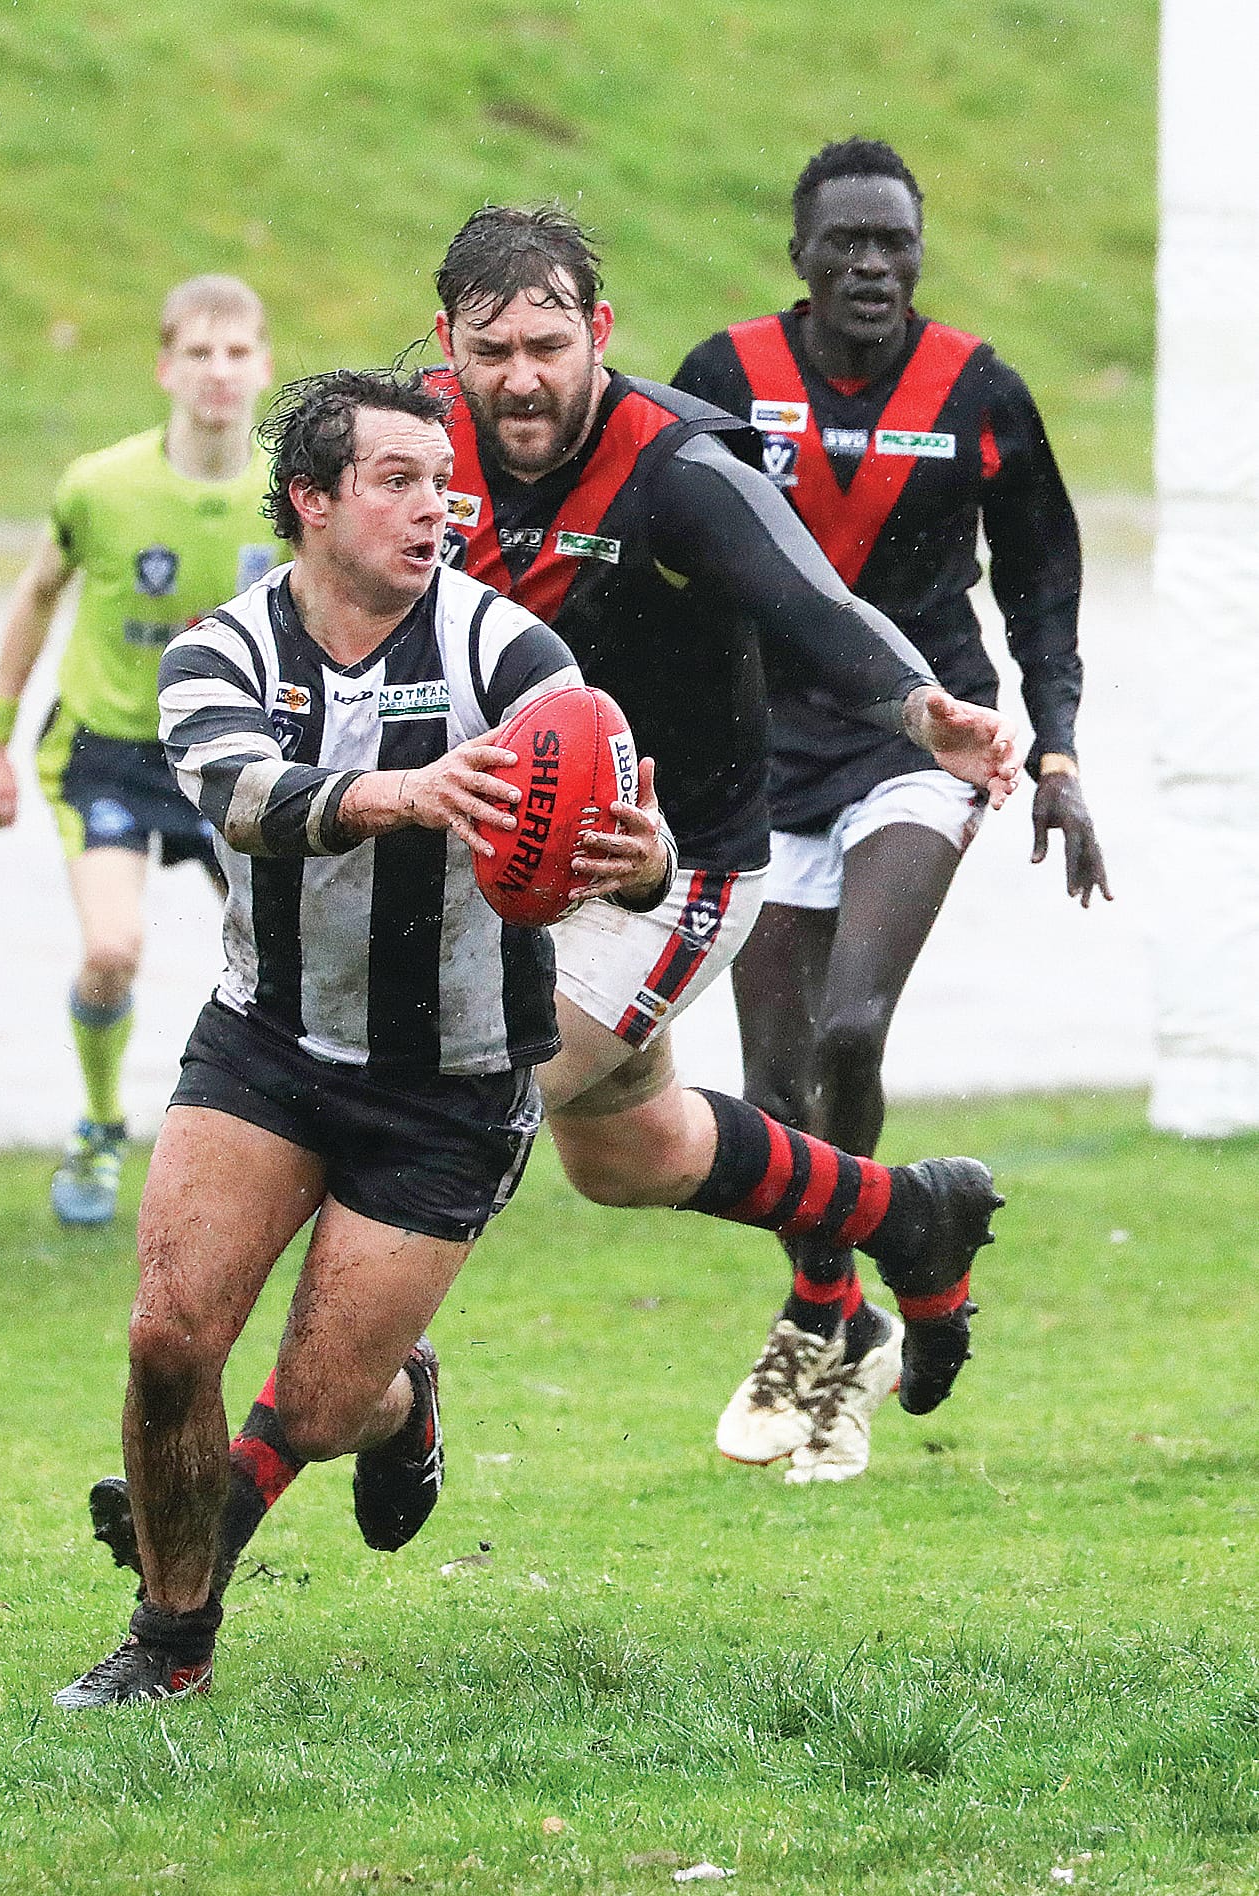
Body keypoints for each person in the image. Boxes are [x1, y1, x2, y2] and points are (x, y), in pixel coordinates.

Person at [82, 208, 1017, 1613]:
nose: (520, 378)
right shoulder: (419, 447)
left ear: (602, 336)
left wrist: (914, 704)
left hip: (668, 858)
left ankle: (244, 1487)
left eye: (549, 345)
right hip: (495, 839)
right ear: (448, 341)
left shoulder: (682, 466)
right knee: (625, 1153)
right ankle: (904, 1212)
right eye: (490, 348)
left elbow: (811, 604)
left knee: (457, 1087)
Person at [54, 366, 674, 1704]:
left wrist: (636, 853)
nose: (433, 510)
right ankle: (173, 1651)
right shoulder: (223, 649)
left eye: (443, 487)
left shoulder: (506, 651)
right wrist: (405, 793)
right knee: (169, 1341)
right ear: (313, 500)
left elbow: (611, 820)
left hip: (449, 1080)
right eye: (397, 482)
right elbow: (238, 793)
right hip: (267, 1044)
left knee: (323, 1410)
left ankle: (401, 1400)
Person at [673, 139, 1111, 1483]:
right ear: (797, 255)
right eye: (846, 242)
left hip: (923, 743)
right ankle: (854, 1304)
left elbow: (1043, 576)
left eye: (895, 244)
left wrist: (1059, 754)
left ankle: (835, 1323)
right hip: (759, 762)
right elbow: (658, 549)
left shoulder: (978, 389)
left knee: (851, 1030)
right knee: (769, 1096)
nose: (872, 266)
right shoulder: (725, 379)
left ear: (920, 253)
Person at [0, 275, 288, 1226]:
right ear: (164, 367)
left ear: (266, 366)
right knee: (113, 948)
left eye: (238, 354)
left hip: (231, 755)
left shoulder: (293, 493)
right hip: (108, 750)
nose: (219, 373)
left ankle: (291, 1138)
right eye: (199, 353)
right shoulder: (100, 486)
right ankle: (103, 1124)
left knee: (294, 956)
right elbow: (36, 594)